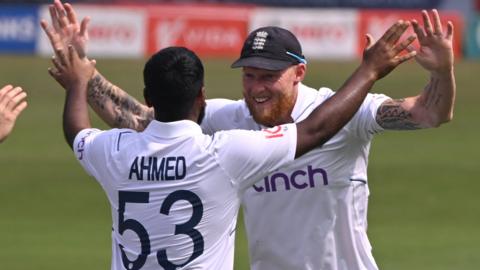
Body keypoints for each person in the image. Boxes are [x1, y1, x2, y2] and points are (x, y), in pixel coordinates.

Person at [42, 1, 455, 269]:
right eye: (250, 75)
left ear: (300, 73)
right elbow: (142, 120)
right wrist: (82, 70)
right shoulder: (227, 122)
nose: (257, 88)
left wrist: (441, 71)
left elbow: (430, 113)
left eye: (270, 77)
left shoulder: (347, 109)